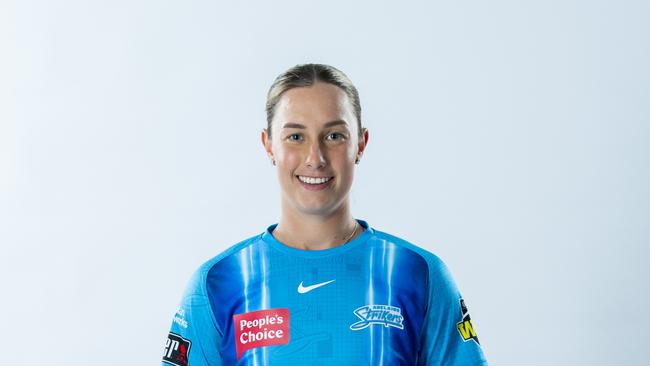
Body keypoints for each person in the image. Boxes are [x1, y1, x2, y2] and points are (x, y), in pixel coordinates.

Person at [161, 63, 488, 365]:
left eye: (334, 136)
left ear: (360, 143)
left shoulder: (417, 273)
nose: (315, 157)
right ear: (269, 145)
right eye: (295, 137)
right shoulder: (221, 281)